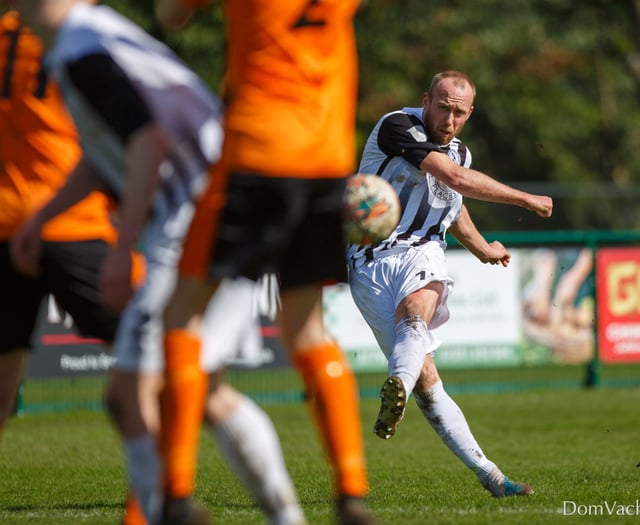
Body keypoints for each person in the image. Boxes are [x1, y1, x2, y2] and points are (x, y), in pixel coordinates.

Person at [9, 2, 306, 525]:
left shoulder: (82, 50)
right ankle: (281, 517)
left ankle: (171, 509)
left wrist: (122, 249)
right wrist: (43, 217)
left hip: (205, 217)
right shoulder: (83, 41)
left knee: (131, 394)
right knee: (198, 387)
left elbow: (149, 142)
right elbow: (110, 152)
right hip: (226, 205)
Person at [154, 1, 376, 524]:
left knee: (181, 316)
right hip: (325, 160)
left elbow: (171, 15)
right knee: (305, 326)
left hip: (257, 152)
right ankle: (351, 492)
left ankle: (176, 493)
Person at [346, 70, 553, 497]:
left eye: (459, 112)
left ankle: (493, 478)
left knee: (417, 309)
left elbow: (452, 203)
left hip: (422, 251)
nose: (449, 118)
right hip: (369, 260)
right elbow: (454, 179)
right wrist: (525, 198)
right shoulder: (397, 126)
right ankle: (410, 391)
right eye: (443, 106)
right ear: (427, 99)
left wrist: (480, 248)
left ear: (469, 113)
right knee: (426, 380)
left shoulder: (461, 152)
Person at [0, 6, 122, 442]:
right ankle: (157, 500)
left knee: (5, 365)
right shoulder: (85, 36)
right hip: (71, 218)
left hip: (8, 220)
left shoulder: (10, 34)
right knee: (144, 353)